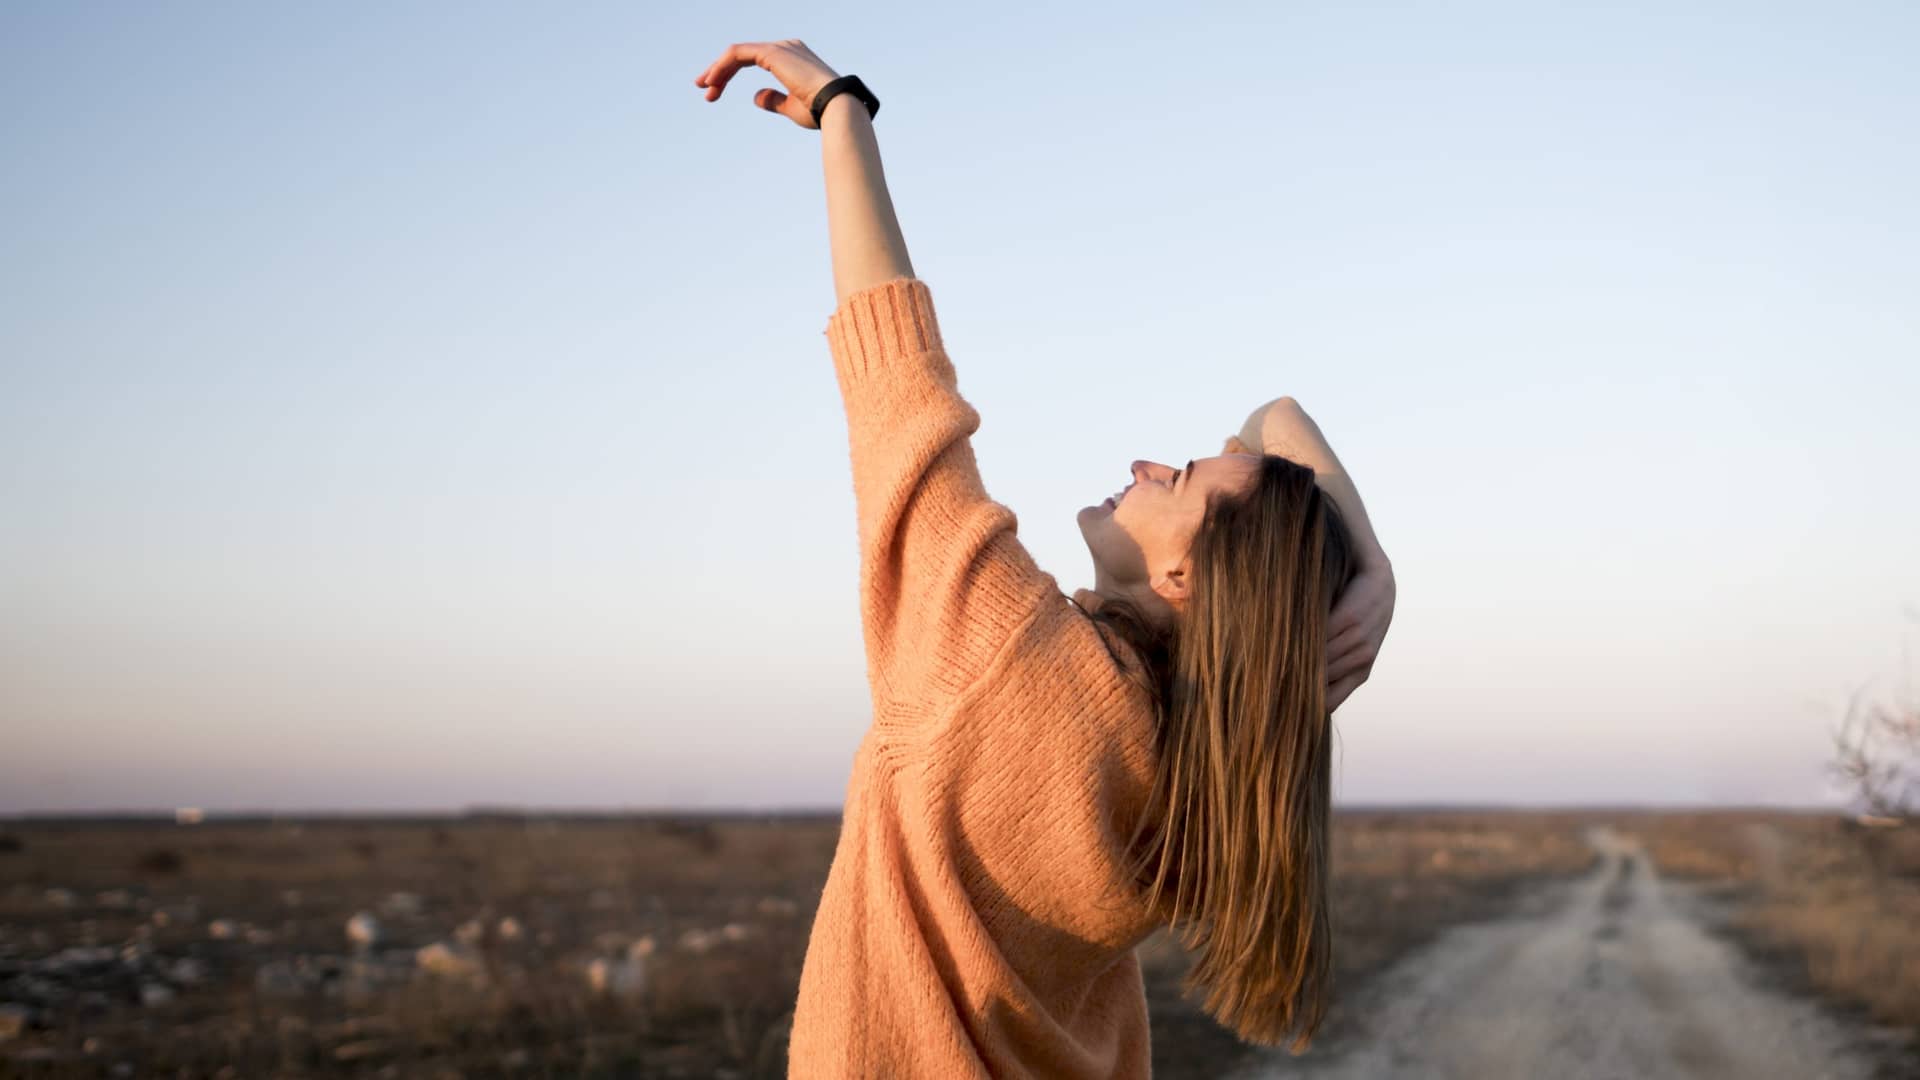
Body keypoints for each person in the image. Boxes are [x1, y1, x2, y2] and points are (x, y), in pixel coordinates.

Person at [694, 40, 1397, 1079]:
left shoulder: (1013, 655)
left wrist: (844, 110)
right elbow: (1275, 419)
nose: (1148, 463)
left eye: (1184, 479)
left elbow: (898, 382)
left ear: (1186, 581)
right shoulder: (1217, 757)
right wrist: (1367, 564)